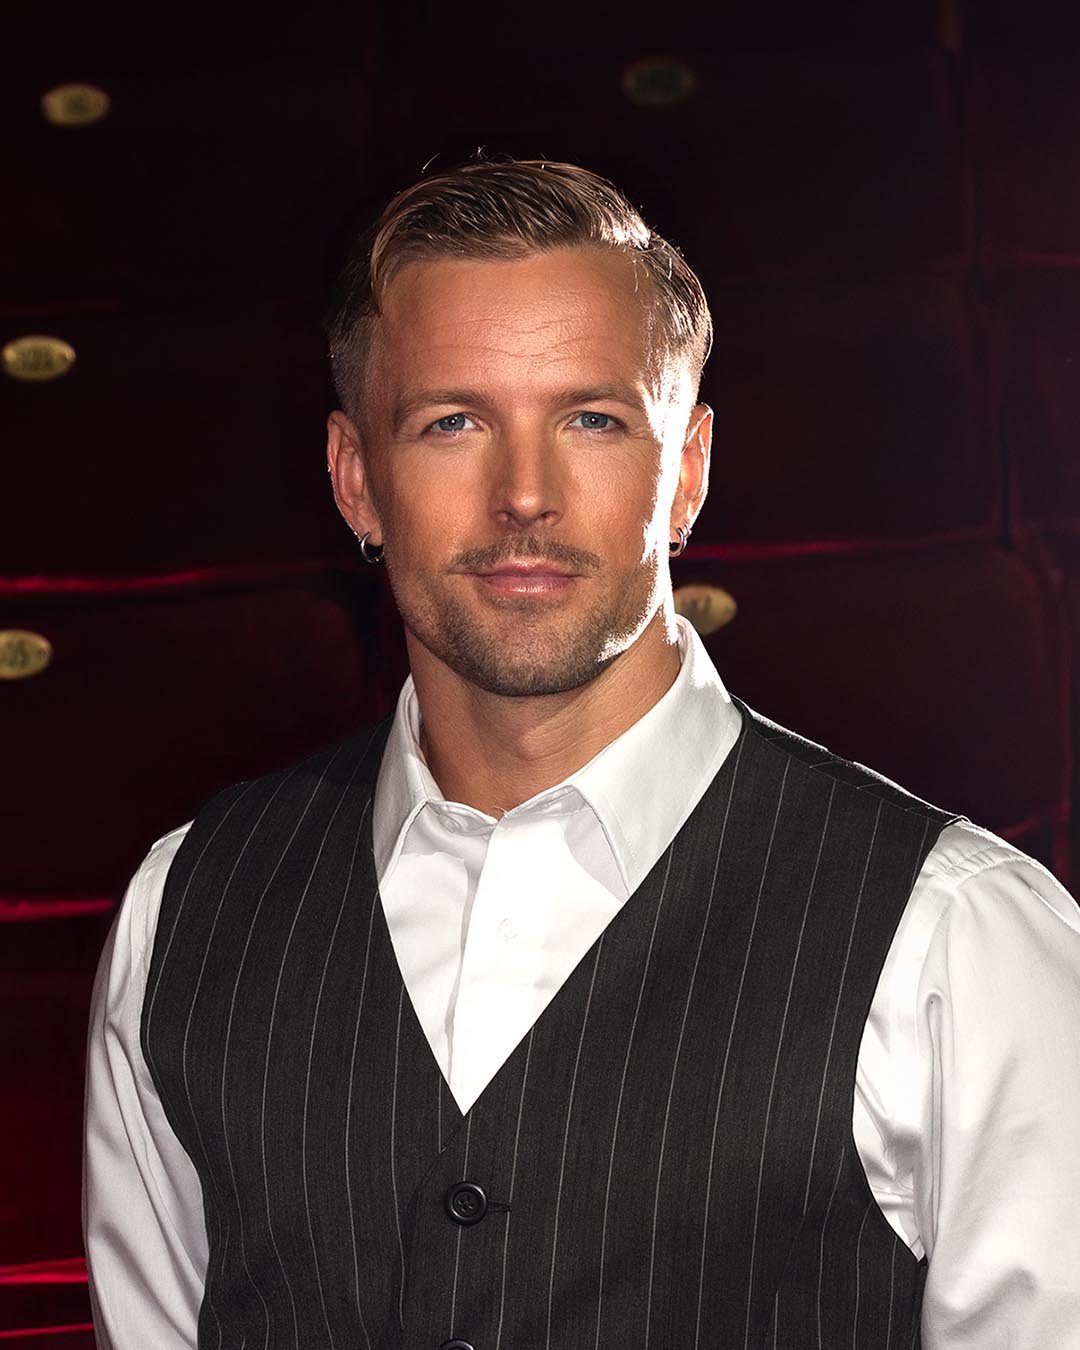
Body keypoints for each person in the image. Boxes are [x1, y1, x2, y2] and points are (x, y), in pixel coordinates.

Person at [83, 159, 1080, 1350]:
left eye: (592, 419)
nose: (524, 496)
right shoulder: (185, 910)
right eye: (453, 423)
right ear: (356, 481)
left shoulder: (959, 937)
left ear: (687, 471)